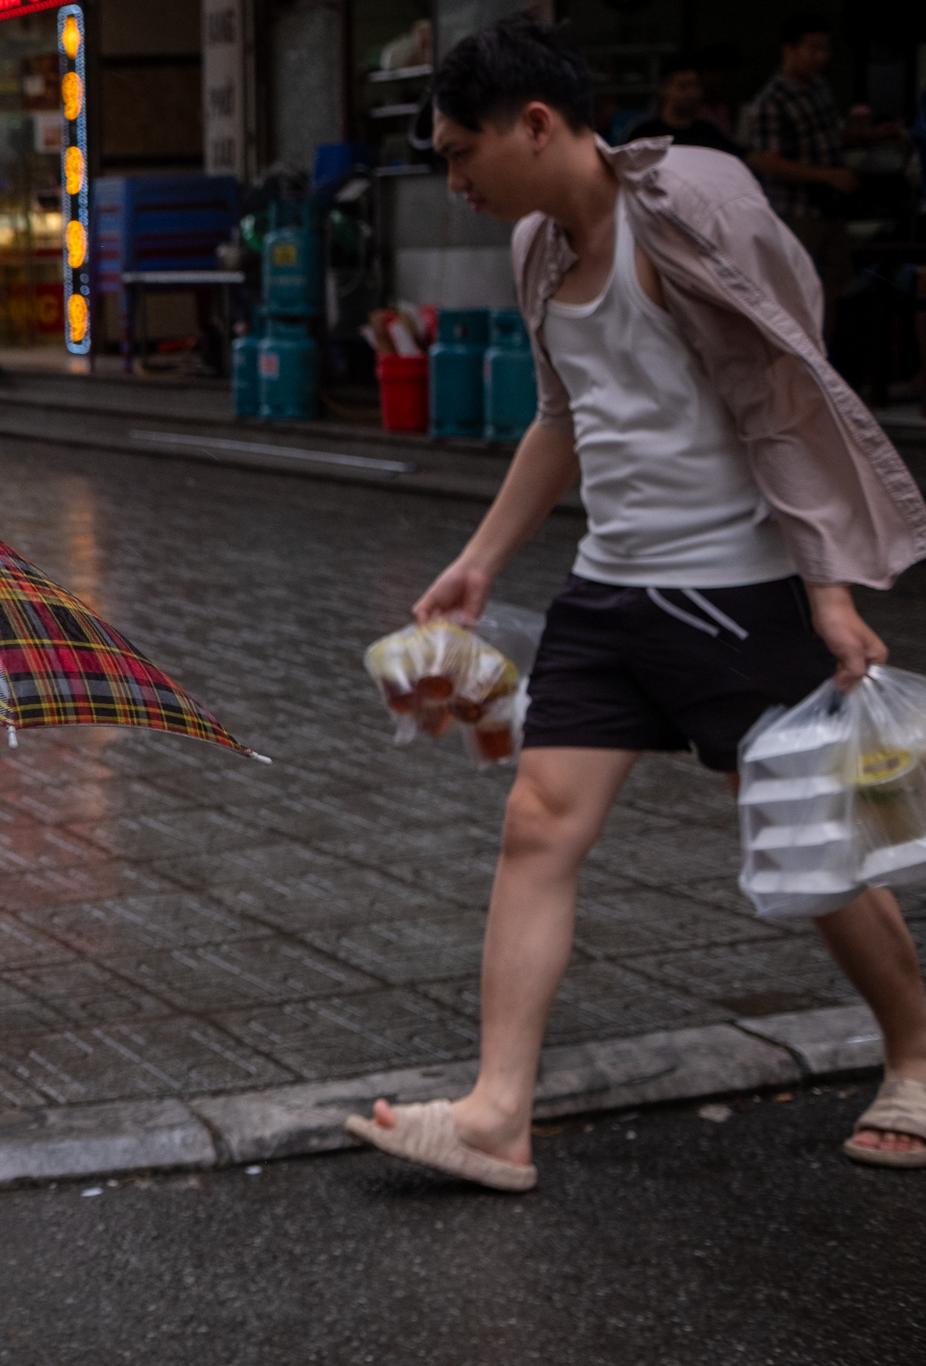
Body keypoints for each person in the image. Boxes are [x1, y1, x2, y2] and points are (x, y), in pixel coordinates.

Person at [345, 17, 926, 1191]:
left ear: (537, 125)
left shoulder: (685, 214)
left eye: (463, 153)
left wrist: (826, 592)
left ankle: (917, 1054)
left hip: (734, 588)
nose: (453, 181)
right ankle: (498, 1114)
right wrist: (479, 563)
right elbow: (564, 418)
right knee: (534, 821)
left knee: (814, 850)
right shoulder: (536, 248)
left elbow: (783, 396)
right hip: (608, 587)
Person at [745, 13, 905, 345]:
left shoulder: (818, 87)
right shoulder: (772, 99)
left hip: (830, 211)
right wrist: (826, 176)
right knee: (796, 291)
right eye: (813, 49)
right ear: (790, 49)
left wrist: (872, 137)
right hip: (796, 211)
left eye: (825, 50)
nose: (821, 57)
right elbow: (765, 160)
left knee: (832, 285)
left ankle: (824, 354)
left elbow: (827, 138)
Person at [622, 53, 742, 157]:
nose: (691, 93)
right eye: (683, 86)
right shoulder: (643, 133)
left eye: (695, 86)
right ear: (664, 89)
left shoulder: (709, 133)